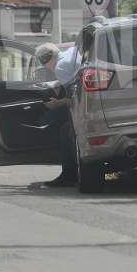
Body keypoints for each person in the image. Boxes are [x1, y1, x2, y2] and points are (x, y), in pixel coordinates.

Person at [33, 43, 80, 187]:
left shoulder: (60, 67)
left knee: (65, 131)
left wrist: (57, 103)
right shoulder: (70, 52)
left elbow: (77, 98)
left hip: (87, 108)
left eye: (42, 61)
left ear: (47, 59)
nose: (43, 65)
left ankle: (69, 175)